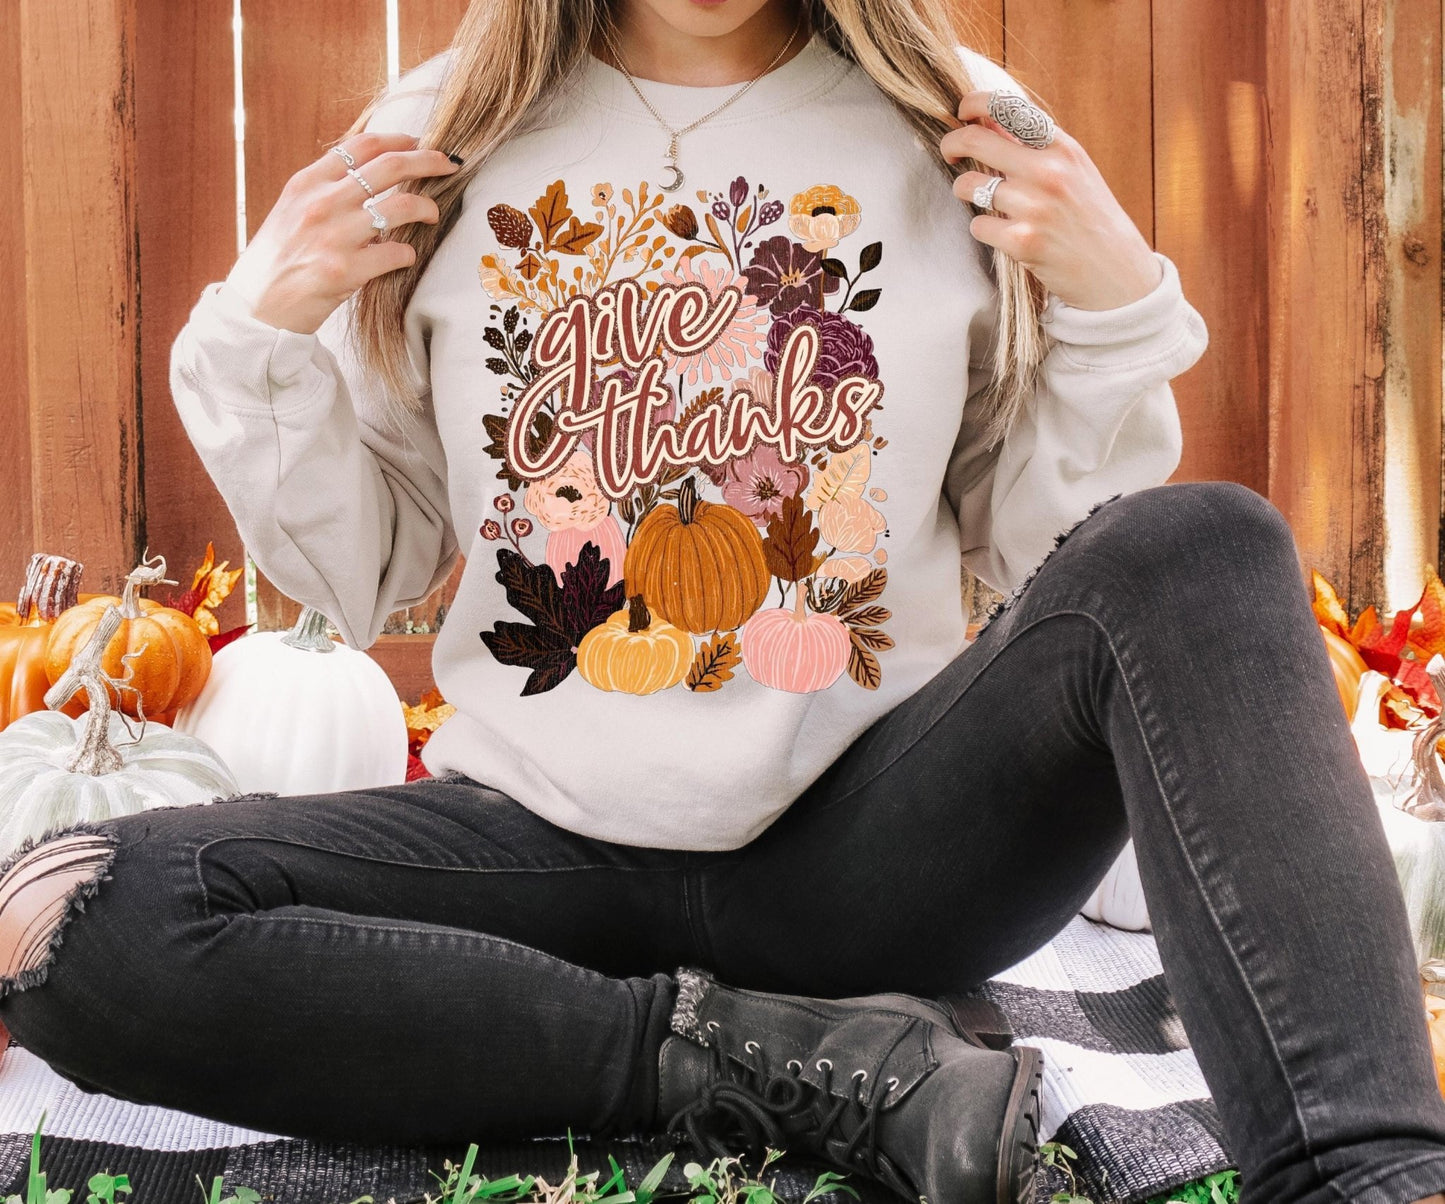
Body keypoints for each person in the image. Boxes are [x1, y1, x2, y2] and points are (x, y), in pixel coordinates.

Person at [0, 0, 1442, 1200]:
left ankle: (1367, 1173)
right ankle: (764, 1064)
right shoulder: (444, 133)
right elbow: (369, 571)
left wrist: (1113, 302)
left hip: (879, 855)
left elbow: (1039, 550)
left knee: (1202, 546)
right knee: (66, 920)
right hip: (535, 859)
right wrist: (260, 328)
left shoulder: (956, 124)